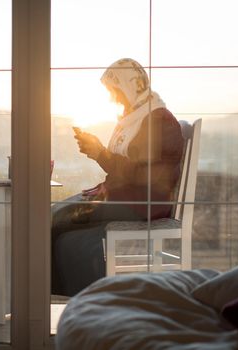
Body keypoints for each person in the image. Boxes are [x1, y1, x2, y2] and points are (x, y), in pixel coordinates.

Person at [51, 58, 184, 296]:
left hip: (143, 202)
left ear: (131, 87)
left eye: (115, 91)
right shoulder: (138, 118)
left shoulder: (157, 120)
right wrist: (99, 153)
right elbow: (129, 169)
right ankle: (59, 298)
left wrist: (102, 153)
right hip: (127, 195)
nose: (113, 99)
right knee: (53, 216)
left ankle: (72, 300)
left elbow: (146, 176)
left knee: (56, 220)